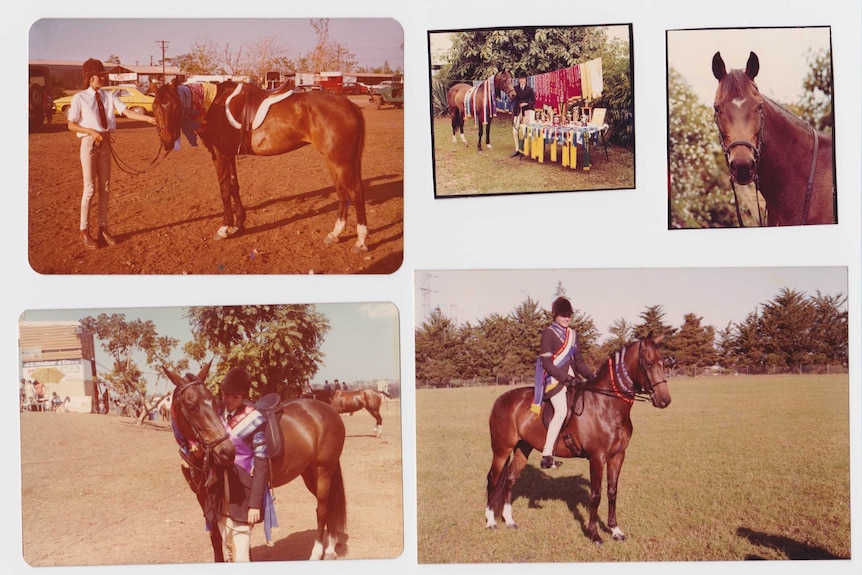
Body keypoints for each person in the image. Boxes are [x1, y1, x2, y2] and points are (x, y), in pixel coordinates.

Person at [67, 58, 157, 250]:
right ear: (90, 78)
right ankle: (84, 230)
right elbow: (71, 124)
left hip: (105, 144)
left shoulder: (108, 96)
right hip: (89, 144)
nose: (103, 79)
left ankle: (103, 227)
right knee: (90, 189)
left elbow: (126, 112)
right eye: (100, 76)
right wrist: (91, 132)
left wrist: (147, 118)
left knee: (105, 188)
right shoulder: (79, 98)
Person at [532, 297, 595, 469]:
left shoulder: (573, 335)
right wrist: (566, 378)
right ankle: (547, 455)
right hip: (555, 380)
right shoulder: (549, 333)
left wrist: (592, 376)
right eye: (564, 315)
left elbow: (579, 362)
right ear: (555, 315)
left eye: (569, 316)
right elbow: (547, 364)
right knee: (561, 410)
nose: (567, 318)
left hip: (573, 379)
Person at [216, 367, 271, 562]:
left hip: (243, 493)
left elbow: (262, 462)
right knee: (227, 547)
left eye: (235, 396)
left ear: (244, 396)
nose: (229, 400)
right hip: (220, 490)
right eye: (225, 394)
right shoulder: (216, 414)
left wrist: (255, 504)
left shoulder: (254, 420)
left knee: (241, 554)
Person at [510, 71, 536, 158]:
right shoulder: (515, 88)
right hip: (517, 111)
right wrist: (511, 96)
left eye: (523, 79)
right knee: (515, 130)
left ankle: (524, 149)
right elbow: (512, 99)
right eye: (520, 79)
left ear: (526, 79)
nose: (521, 80)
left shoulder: (530, 89)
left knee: (525, 130)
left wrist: (526, 104)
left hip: (526, 111)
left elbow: (533, 101)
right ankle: (517, 149)